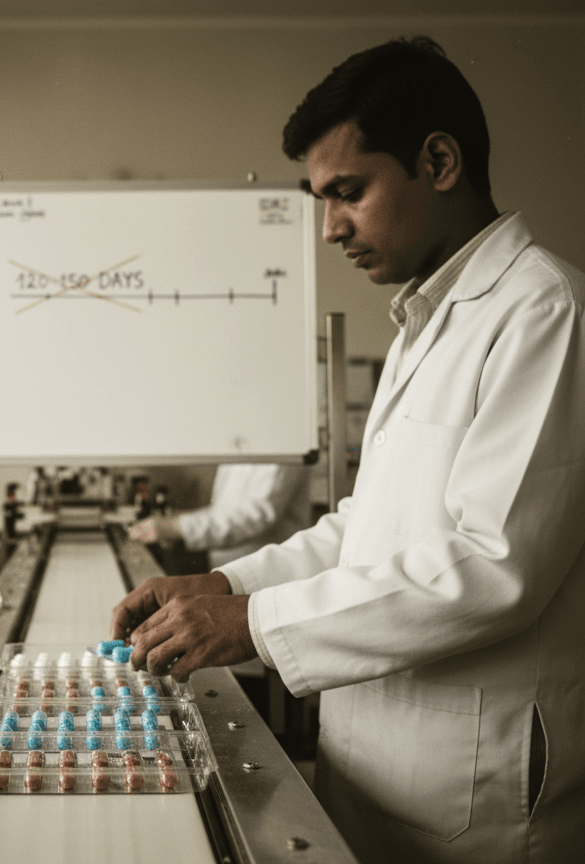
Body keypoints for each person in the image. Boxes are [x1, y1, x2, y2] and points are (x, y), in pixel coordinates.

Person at [111, 37, 585, 864]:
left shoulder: (544, 311)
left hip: (474, 787)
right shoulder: (424, 322)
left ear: (439, 161)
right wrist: (225, 582)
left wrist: (252, 621)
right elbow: (367, 526)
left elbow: (492, 564)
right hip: (375, 761)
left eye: (347, 193)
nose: (329, 228)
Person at [128, 463, 312, 569]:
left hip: (267, 573)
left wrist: (177, 527)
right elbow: (224, 509)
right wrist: (175, 522)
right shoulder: (250, 437)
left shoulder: (281, 435)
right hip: (233, 568)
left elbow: (256, 515)